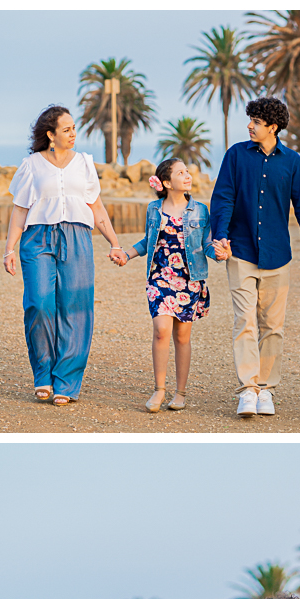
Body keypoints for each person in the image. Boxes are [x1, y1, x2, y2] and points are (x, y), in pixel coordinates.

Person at [210, 97, 300, 418]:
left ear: (273, 127)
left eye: (256, 122)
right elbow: (223, 196)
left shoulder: (291, 162)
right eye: (249, 120)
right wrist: (220, 235)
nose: (249, 126)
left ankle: (267, 389)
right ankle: (248, 389)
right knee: (245, 322)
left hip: (277, 255)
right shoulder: (236, 155)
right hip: (241, 251)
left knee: (273, 326)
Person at [4, 104, 125, 406]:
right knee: (39, 303)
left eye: (74, 128)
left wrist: (114, 242)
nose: (74, 134)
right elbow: (20, 210)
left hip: (76, 236)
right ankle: (43, 373)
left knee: (76, 308)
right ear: (50, 134)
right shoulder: (31, 165)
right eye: (67, 129)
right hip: (37, 237)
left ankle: (66, 380)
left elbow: (96, 208)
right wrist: (9, 249)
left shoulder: (84, 163)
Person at [113, 158, 227, 413]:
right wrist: (126, 255)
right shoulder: (154, 208)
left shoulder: (200, 210)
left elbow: (206, 245)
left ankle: (180, 392)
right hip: (159, 277)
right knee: (161, 331)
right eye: (180, 172)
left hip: (189, 279)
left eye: (187, 171)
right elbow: (147, 241)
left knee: (182, 337)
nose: (187, 176)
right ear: (166, 182)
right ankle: (159, 389)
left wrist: (218, 253)